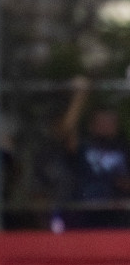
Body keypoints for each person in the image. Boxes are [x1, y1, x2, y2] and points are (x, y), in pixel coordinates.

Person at [56, 77, 130, 228]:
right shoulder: (84, 147)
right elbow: (66, 131)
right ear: (92, 125)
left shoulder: (124, 148)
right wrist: (80, 97)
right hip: (85, 215)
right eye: (101, 122)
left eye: (110, 121)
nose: (106, 125)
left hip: (119, 216)